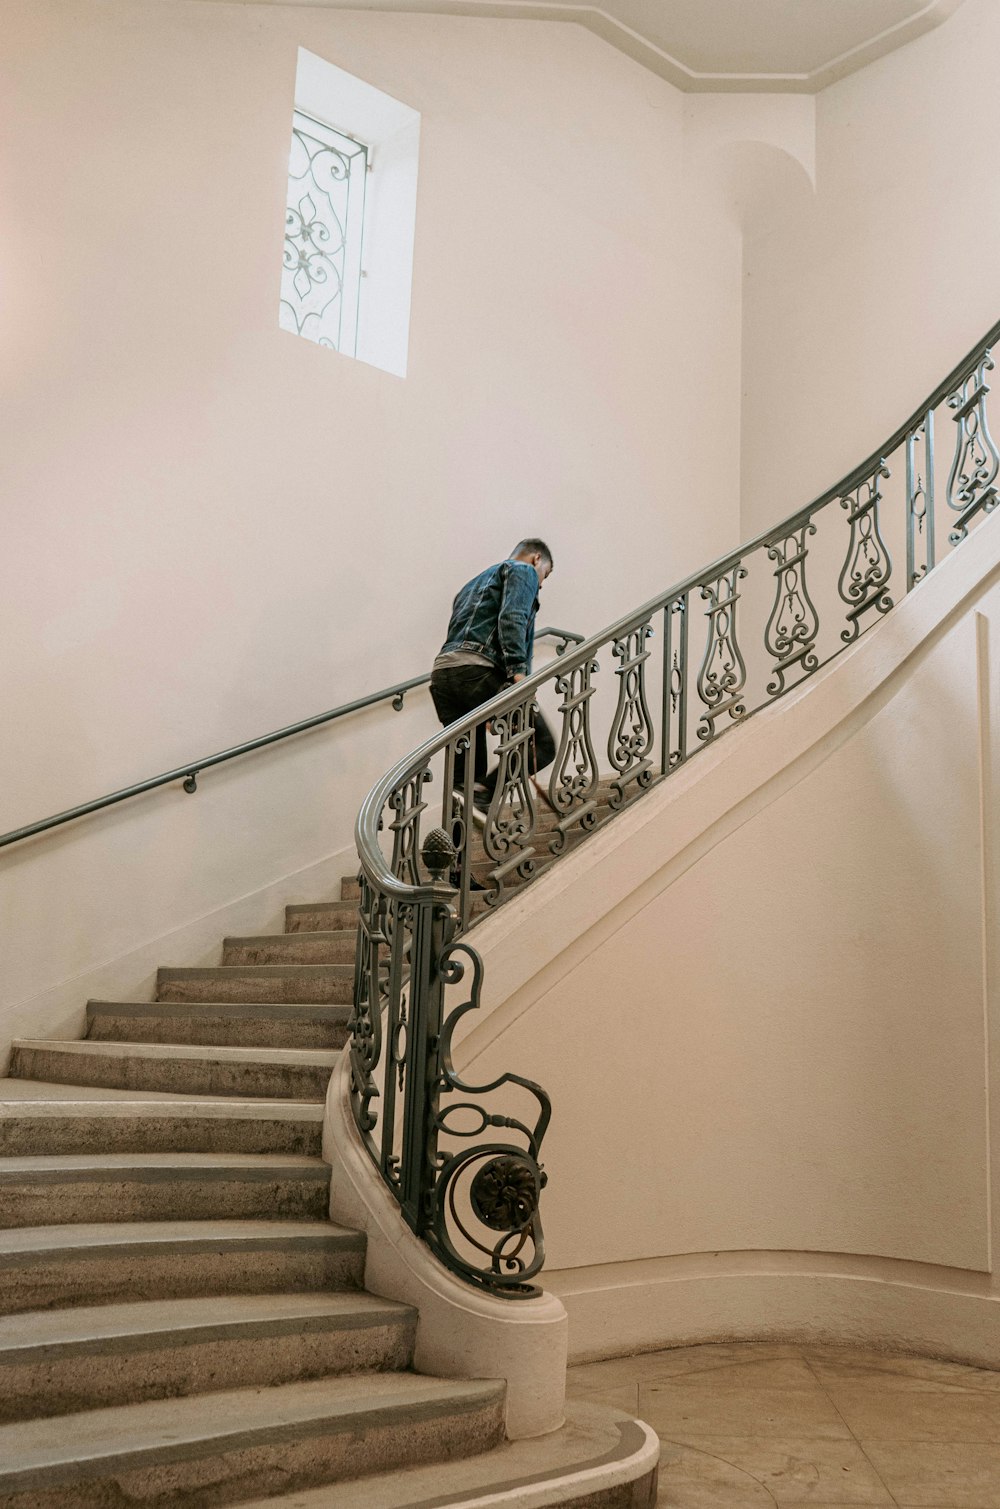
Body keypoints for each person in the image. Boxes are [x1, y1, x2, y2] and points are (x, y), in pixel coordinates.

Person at [430, 539, 556, 818]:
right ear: (536, 559)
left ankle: (456, 846)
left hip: (444, 676)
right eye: (544, 576)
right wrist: (519, 679)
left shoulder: (469, 587)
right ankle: (486, 793)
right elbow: (513, 618)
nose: (541, 585)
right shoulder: (522, 571)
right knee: (544, 745)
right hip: (479, 670)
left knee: (465, 777)